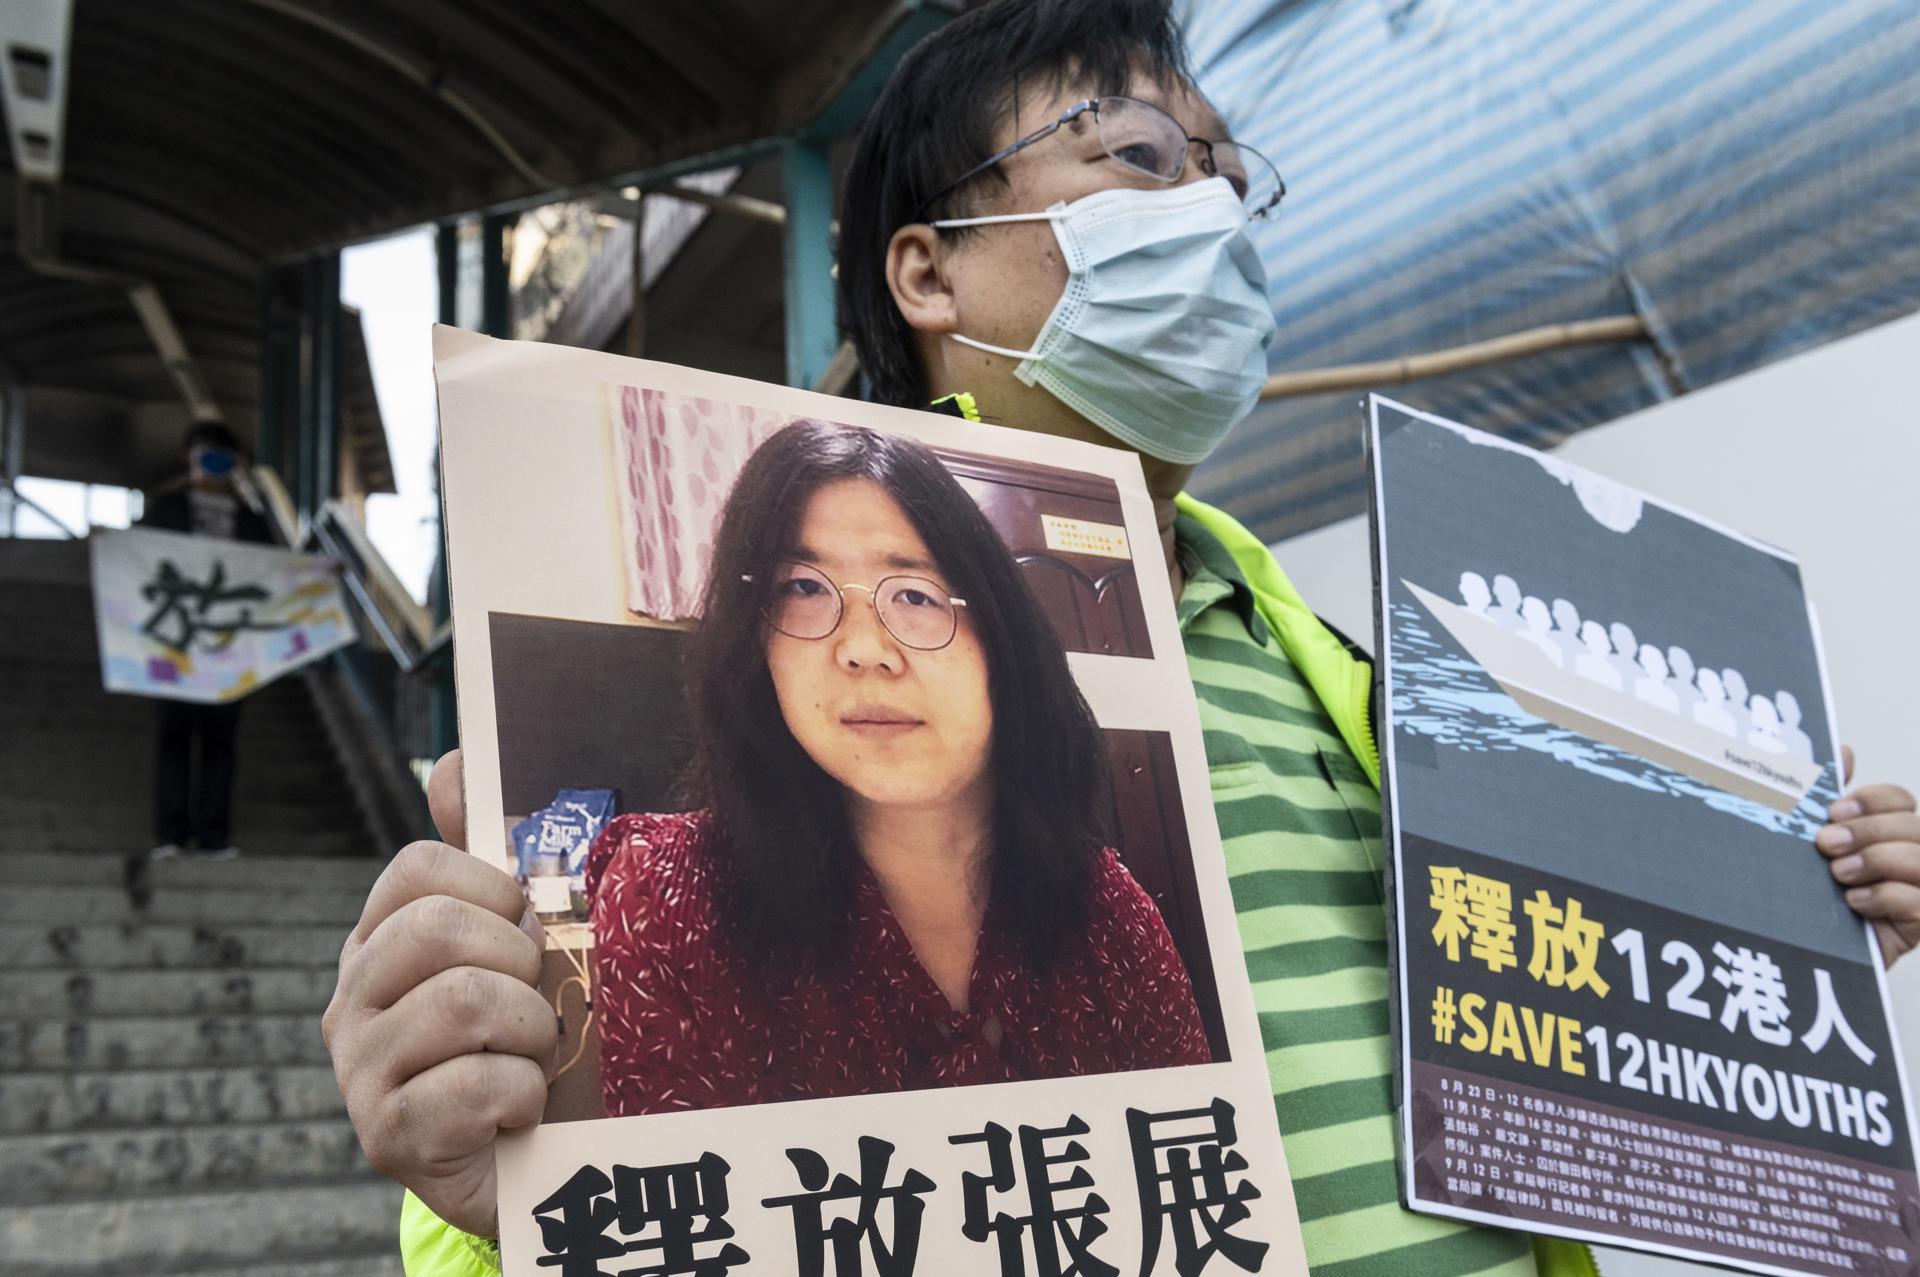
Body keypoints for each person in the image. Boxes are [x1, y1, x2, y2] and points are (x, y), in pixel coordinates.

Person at [323, 3, 1920, 1272]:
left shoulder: (1347, 678)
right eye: (1143, 154)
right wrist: (475, 1189)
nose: (1214, 206)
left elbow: (1558, 1033)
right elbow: (606, 1199)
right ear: (927, 268)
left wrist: (1774, 914)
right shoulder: (650, 884)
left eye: (1234, 173)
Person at [594, 422, 1207, 1117]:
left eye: (915, 595)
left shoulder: (1108, 914)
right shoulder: (670, 894)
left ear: (1004, 639)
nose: (862, 649)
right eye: (802, 586)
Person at [139, 422, 274, 860]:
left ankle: (214, 836)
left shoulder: (253, 521)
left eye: (223, 453)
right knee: (173, 736)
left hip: (227, 645)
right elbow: (137, 560)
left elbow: (275, 574)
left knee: (220, 740)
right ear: (188, 456)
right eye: (207, 450)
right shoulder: (165, 507)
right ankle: (172, 835)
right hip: (174, 642)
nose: (215, 460)